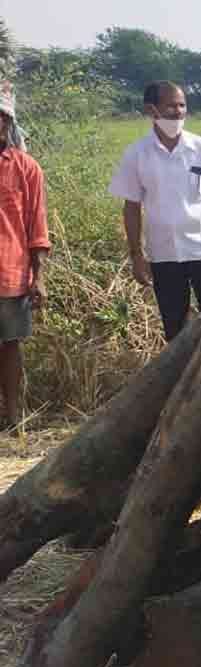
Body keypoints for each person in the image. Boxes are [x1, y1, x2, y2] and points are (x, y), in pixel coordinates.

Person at [109, 81, 201, 341]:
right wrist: (137, 255)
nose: (178, 111)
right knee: (174, 328)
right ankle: (181, 369)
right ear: (152, 110)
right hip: (164, 253)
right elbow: (132, 207)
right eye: (171, 106)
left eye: (182, 105)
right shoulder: (137, 154)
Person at [0, 82, 50, 428]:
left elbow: (37, 228)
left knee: (10, 346)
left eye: (3, 117)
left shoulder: (26, 168)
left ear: (9, 122)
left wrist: (39, 277)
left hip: (11, 272)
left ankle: (14, 417)